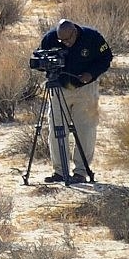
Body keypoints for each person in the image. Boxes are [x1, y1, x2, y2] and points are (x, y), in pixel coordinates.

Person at [39, 19, 112, 184]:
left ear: (75, 33)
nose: (65, 43)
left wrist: (91, 74)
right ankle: (60, 171)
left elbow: (106, 57)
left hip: (85, 89)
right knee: (56, 128)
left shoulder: (92, 37)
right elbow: (40, 58)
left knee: (86, 129)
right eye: (61, 41)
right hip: (59, 88)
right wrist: (43, 65)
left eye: (67, 40)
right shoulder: (50, 38)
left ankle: (81, 172)